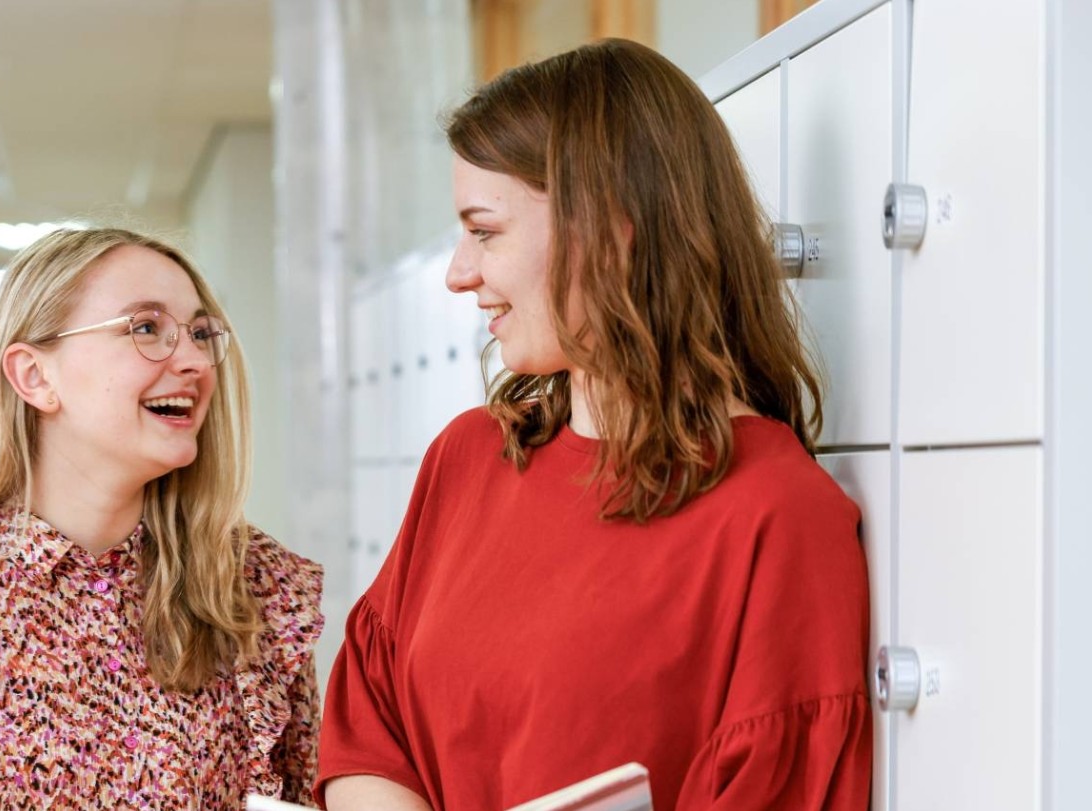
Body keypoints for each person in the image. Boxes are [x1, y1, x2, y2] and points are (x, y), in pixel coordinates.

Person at [317, 40, 872, 811]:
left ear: (609, 229)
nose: (458, 272)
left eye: (484, 231)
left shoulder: (777, 516)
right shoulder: (467, 460)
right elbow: (367, 730)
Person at [0, 228, 325, 808]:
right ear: (35, 377)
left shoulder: (251, 586)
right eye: (146, 328)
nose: (194, 360)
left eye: (199, 333)